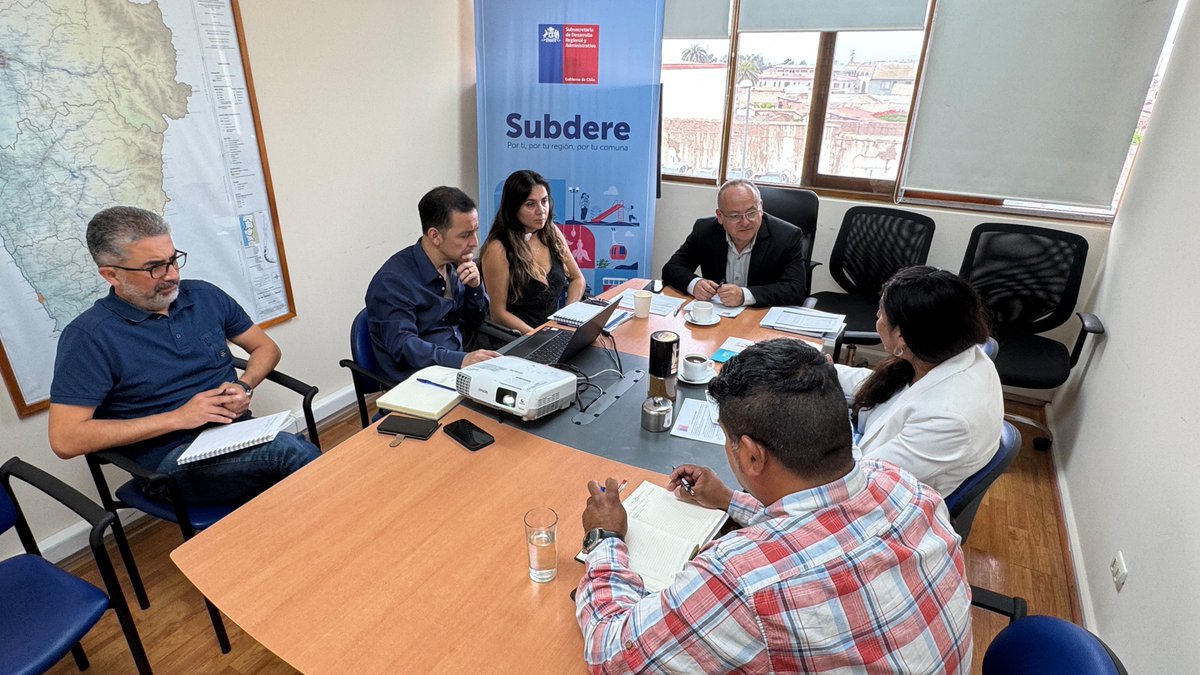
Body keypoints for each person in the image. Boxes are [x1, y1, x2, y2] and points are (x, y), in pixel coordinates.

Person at [575, 338, 973, 673]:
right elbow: (822, 527)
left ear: (751, 456)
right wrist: (730, 500)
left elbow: (613, 654)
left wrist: (604, 537)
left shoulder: (742, 581)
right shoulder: (906, 487)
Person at [48, 206, 320, 506]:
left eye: (173, 260)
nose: (173, 275)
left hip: (237, 434)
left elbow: (265, 348)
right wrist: (179, 418)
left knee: (293, 453)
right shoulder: (89, 337)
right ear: (111, 275)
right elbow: (66, 439)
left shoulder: (204, 296)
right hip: (168, 464)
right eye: (155, 268)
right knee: (290, 453)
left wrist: (245, 385)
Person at [836, 265, 1003, 496]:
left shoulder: (948, 419)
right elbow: (885, 387)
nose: (877, 318)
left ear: (902, 336)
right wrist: (821, 370)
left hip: (881, 497)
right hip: (871, 463)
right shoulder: (945, 351)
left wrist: (828, 414)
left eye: (881, 313)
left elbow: (860, 482)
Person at [366, 186, 501, 382]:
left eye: (475, 231)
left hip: (455, 368)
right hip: (417, 380)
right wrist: (460, 360)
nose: (474, 242)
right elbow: (403, 346)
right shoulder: (392, 282)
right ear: (435, 236)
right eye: (465, 235)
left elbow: (475, 321)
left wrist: (475, 288)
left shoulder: (455, 264)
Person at [662, 179, 810, 307]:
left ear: (761, 207)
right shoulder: (705, 231)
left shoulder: (787, 236)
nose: (745, 222)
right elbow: (671, 268)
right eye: (735, 216)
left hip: (759, 316)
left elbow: (795, 289)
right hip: (717, 317)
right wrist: (694, 284)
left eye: (751, 213)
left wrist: (744, 296)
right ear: (720, 216)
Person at [481, 170, 585, 334]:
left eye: (544, 201)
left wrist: (568, 316)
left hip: (552, 333)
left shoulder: (552, 232)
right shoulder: (498, 248)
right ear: (513, 208)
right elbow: (498, 313)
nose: (541, 210)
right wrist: (537, 337)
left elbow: (578, 279)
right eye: (531, 204)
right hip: (517, 339)